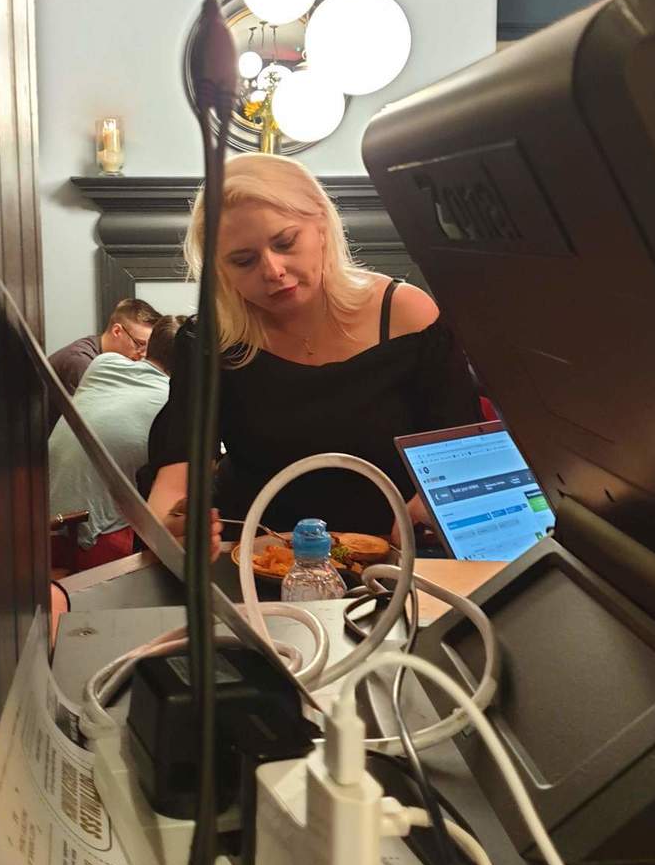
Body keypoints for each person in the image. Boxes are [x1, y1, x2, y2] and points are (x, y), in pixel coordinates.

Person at [147, 155, 481, 549]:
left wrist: (437, 501)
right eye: (243, 260)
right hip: (256, 553)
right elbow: (176, 480)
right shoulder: (209, 340)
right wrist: (170, 528)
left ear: (321, 225)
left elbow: (465, 458)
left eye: (285, 242)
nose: (272, 270)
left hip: (392, 553)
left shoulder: (407, 315)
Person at [50, 315, 185, 574]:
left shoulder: (103, 363)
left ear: (149, 346)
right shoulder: (173, 403)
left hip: (45, 522)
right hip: (95, 540)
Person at [48, 297, 161, 400]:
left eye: (147, 347)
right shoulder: (81, 361)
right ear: (117, 331)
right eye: (139, 344)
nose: (143, 354)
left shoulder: (110, 358)